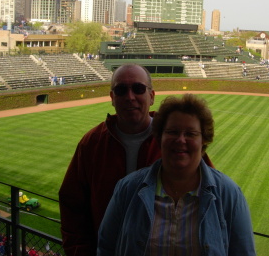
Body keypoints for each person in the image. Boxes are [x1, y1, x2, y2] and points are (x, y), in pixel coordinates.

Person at [59, 64, 213, 256]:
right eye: (121, 90)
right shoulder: (91, 143)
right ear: (112, 98)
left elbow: (212, 195)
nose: (130, 96)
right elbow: (72, 205)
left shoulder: (176, 143)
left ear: (152, 96)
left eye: (138, 89)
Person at [98, 94, 256, 255]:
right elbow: (106, 247)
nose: (181, 140)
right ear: (160, 138)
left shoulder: (229, 194)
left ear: (204, 141)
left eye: (190, 133)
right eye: (173, 132)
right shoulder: (127, 188)